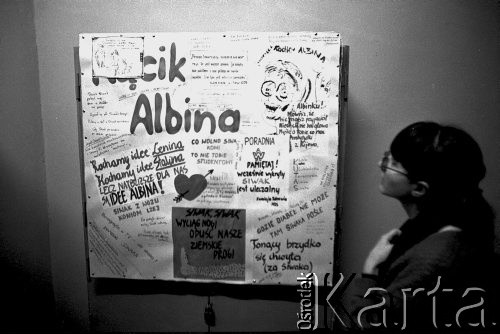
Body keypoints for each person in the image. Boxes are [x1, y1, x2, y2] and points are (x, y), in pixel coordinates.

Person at [342, 121, 497, 333]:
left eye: (394, 163)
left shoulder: (435, 257)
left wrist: (369, 273)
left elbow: (367, 324)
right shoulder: (438, 228)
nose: (381, 163)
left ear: (419, 189)